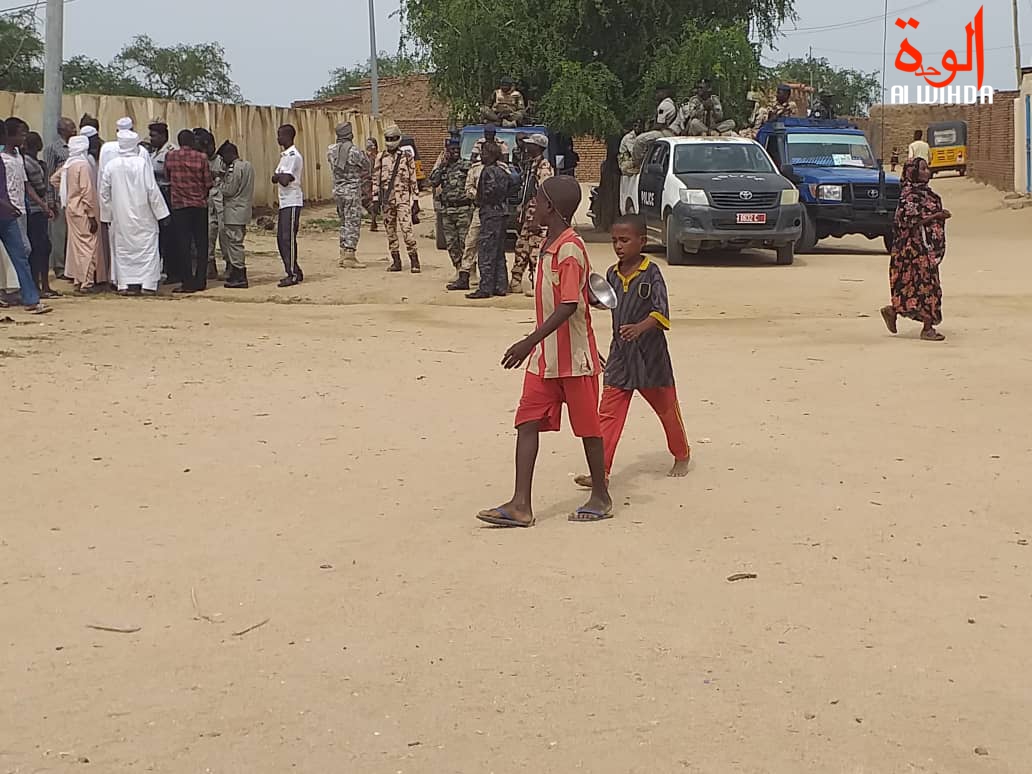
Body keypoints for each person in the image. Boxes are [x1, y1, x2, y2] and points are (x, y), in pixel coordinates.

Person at [476, 175, 611, 527]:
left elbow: (567, 305)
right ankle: (521, 504)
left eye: (536, 200)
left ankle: (601, 496)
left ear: (551, 207)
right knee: (527, 421)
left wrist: (527, 342)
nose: (531, 205)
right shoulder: (550, 243)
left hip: (573, 359)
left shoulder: (568, 248)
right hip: (545, 359)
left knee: (588, 429)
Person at [573, 214, 691, 487]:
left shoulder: (652, 273)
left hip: (651, 358)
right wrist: (592, 299)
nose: (619, 246)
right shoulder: (613, 274)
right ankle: (600, 471)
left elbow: (661, 313)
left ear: (642, 241)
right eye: (615, 241)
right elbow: (608, 302)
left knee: (666, 409)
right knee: (608, 414)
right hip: (620, 356)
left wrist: (640, 327)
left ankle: (681, 454)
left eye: (624, 240)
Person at [881, 157, 950, 342]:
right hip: (912, 250)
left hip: (925, 248)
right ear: (913, 172)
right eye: (923, 169)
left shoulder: (927, 194)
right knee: (925, 286)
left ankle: (893, 310)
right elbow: (909, 222)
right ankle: (928, 328)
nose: (928, 171)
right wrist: (937, 215)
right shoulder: (909, 196)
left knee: (916, 286)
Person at [99, 130, 170, 295]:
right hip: (143, 213)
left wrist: (107, 215)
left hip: (120, 215)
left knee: (123, 249)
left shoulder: (111, 165)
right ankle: (148, 284)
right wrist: (162, 214)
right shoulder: (142, 163)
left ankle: (124, 284)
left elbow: (104, 193)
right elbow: (152, 190)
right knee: (147, 248)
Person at [0, 120, 50, 314]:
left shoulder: (18, 157)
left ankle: (30, 298)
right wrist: (7, 204)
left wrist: (41, 204)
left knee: (21, 254)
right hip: (9, 210)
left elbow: (25, 184)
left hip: (12, 213)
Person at [50, 135, 101, 292]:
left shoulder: (68, 165)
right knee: (89, 244)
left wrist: (67, 193)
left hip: (70, 209)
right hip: (83, 210)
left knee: (77, 246)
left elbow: (53, 179)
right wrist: (92, 215)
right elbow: (87, 191)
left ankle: (78, 279)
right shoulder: (82, 165)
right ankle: (86, 282)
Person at [165, 130, 213, 293]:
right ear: (193, 141)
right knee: (201, 243)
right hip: (199, 205)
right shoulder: (202, 158)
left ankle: (187, 281)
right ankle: (200, 280)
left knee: (183, 244)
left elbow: (167, 177)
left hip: (179, 206)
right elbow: (208, 183)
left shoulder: (170, 156)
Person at [466, 142, 512, 299]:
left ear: (492, 155)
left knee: (486, 251)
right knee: (499, 252)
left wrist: (483, 201)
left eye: (484, 153)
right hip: (502, 213)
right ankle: (500, 285)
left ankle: (485, 288)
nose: (482, 156)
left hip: (490, 214)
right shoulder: (504, 170)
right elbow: (512, 186)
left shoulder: (489, 171)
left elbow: (489, 192)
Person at [371, 125, 420, 273]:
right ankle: (396, 261)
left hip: (403, 199)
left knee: (407, 231)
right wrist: (375, 199)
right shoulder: (380, 157)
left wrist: (416, 200)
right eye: (388, 139)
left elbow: (413, 178)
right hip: (387, 200)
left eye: (393, 139)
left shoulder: (406, 157)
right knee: (390, 232)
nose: (391, 142)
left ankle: (414, 261)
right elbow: (376, 179)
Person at [509, 132, 553, 293]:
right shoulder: (530, 165)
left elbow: (545, 194)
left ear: (538, 147)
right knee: (521, 247)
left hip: (537, 215)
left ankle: (538, 284)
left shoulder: (544, 166)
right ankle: (515, 282)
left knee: (535, 250)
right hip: (528, 213)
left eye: (530, 144)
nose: (526, 147)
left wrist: (538, 219)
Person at [428, 137, 472, 286]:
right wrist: (442, 165)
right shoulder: (444, 167)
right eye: (452, 150)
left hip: (463, 209)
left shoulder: (466, 166)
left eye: (457, 149)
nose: (455, 152)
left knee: (465, 242)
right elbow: (433, 181)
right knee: (451, 243)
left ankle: (470, 271)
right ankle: (458, 269)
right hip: (447, 210)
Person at [328, 120, 369, 269]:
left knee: (343, 222)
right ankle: (350, 255)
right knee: (352, 223)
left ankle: (342, 253)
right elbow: (366, 165)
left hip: (338, 191)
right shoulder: (354, 151)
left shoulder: (331, 150)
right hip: (351, 191)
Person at [215, 141, 254, 289]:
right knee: (236, 242)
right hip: (243, 209)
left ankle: (239, 274)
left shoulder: (234, 168)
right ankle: (237, 273)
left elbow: (230, 190)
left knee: (234, 244)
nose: (223, 161)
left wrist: (219, 182)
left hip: (233, 210)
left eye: (223, 157)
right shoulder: (247, 165)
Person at [271, 124, 305, 287]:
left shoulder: (293, 155)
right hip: (284, 202)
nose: (278, 138)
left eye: (280, 135)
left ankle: (292, 273)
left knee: (288, 238)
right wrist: (279, 176)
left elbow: (284, 180)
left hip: (292, 201)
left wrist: (279, 176)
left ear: (288, 136)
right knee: (281, 239)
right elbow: (275, 177)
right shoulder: (284, 156)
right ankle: (294, 270)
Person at [23, 131, 55, 298]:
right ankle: (38, 286)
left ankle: (45, 285)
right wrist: (46, 204)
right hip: (34, 210)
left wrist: (49, 205)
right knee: (38, 248)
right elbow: (35, 188)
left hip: (40, 210)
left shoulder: (38, 164)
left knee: (44, 247)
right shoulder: (27, 164)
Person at [43, 116, 76, 280]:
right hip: (58, 198)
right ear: (62, 129)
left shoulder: (75, 147)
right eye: (71, 127)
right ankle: (60, 267)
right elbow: (49, 175)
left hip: (74, 197)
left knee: (72, 234)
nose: (74, 130)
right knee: (59, 234)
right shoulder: (53, 149)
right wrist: (50, 200)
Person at [148, 120, 177, 279]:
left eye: (154, 136)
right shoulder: (154, 152)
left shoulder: (170, 152)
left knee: (168, 234)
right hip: (155, 195)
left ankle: (169, 269)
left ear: (163, 136)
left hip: (166, 194)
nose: (151, 139)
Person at [194, 128, 222, 279]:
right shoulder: (200, 160)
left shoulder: (221, 161)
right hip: (206, 204)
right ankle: (210, 266)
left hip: (220, 204)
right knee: (208, 236)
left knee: (223, 237)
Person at [631, 85, 678, 166]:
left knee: (639, 140)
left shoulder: (664, 105)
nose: (656, 95)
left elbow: (660, 124)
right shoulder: (669, 103)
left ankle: (638, 164)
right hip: (668, 132)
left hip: (667, 132)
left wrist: (649, 131)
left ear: (664, 92)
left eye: (658, 92)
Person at [365, 137, 380, 231]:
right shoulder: (366, 157)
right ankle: (373, 219)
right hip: (367, 182)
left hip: (377, 182)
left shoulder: (379, 156)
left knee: (375, 201)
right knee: (367, 201)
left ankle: (373, 221)